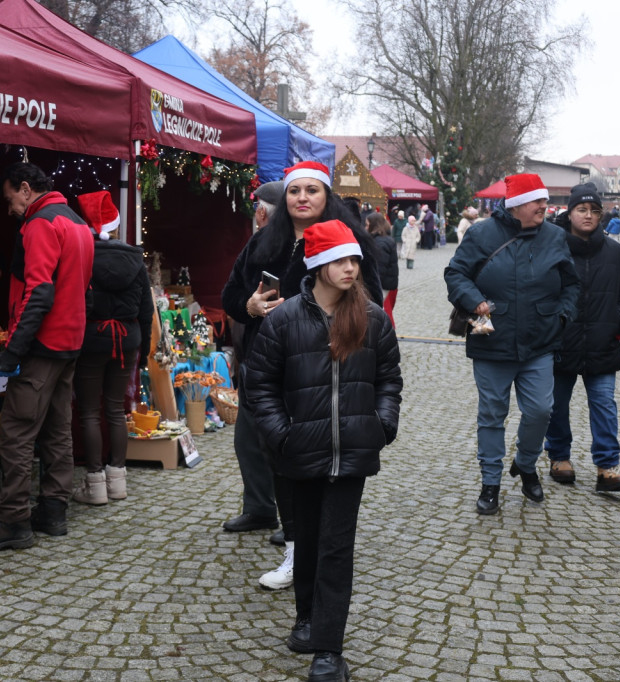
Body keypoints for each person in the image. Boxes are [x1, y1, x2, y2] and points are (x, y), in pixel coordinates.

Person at [246, 219, 402, 682]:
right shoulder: (282, 319)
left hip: (352, 450)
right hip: (301, 450)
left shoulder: (372, 317)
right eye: (340, 260)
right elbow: (261, 386)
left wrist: (382, 424)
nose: (351, 268)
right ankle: (306, 619)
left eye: (354, 259)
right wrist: (282, 434)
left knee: (336, 546)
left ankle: (329, 649)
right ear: (316, 265)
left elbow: (389, 378)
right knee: (308, 542)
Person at [221, 160, 383, 592]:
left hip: (325, 372)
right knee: (275, 456)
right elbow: (232, 295)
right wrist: (249, 308)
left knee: (315, 466)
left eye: (312, 190)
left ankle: (314, 550)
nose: (302, 198)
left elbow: (373, 305)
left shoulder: (349, 243)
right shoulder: (262, 244)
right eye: (295, 191)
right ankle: (293, 544)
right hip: (269, 368)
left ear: (326, 196)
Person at [0, 161, 95, 551]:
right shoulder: (76, 223)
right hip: (70, 341)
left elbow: (39, 293)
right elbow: (83, 289)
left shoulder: (41, 224)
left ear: (25, 188)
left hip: (42, 344)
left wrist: (13, 350)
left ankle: (14, 520)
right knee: (57, 428)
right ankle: (53, 510)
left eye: (10, 200)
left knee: (17, 434)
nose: (10, 209)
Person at [444, 173, 579, 515]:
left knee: (541, 410)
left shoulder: (555, 237)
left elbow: (571, 285)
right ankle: (490, 482)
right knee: (492, 415)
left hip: (540, 342)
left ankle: (526, 462)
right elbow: (455, 273)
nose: (544, 207)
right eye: (538, 202)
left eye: (545, 201)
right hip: (491, 341)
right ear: (517, 204)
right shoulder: (481, 233)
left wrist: (562, 316)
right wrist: (473, 300)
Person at [545, 183, 620, 492]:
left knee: (603, 405)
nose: (588, 216)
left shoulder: (615, 252)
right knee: (557, 405)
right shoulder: (552, 249)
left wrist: (618, 325)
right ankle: (559, 457)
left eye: (594, 211)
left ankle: (607, 467)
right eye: (582, 210)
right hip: (561, 343)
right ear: (569, 213)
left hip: (602, 343)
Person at [70, 191, 153, 505]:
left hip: (91, 340)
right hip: (126, 340)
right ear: (116, 226)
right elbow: (146, 312)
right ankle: (117, 481)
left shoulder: (81, 255)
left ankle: (95, 486)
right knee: (116, 410)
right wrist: (142, 352)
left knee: (90, 411)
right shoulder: (135, 258)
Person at [367, 212, 399, 326]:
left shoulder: (380, 242)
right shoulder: (384, 240)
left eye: (367, 224)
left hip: (383, 285)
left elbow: (380, 269)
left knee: (382, 313)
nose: (365, 227)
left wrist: (373, 285)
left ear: (374, 225)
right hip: (388, 284)